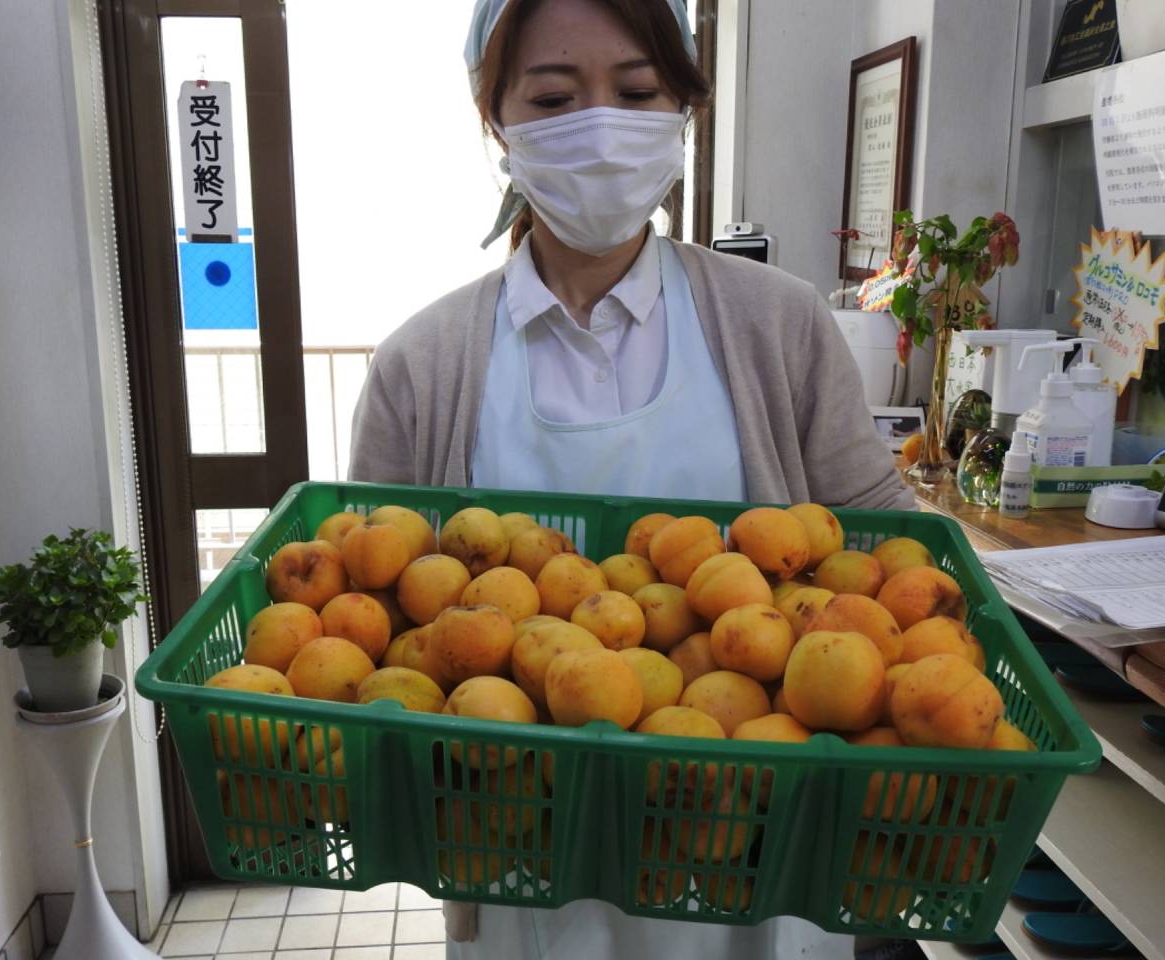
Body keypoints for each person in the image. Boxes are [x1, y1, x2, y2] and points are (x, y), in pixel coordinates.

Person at [349, 0, 915, 956]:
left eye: (638, 91)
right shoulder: (422, 363)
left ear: (684, 109)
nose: (601, 125)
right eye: (556, 96)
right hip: (522, 863)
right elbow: (374, 616)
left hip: (760, 857)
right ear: (496, 122)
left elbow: (884, 549)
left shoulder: (779, 325)